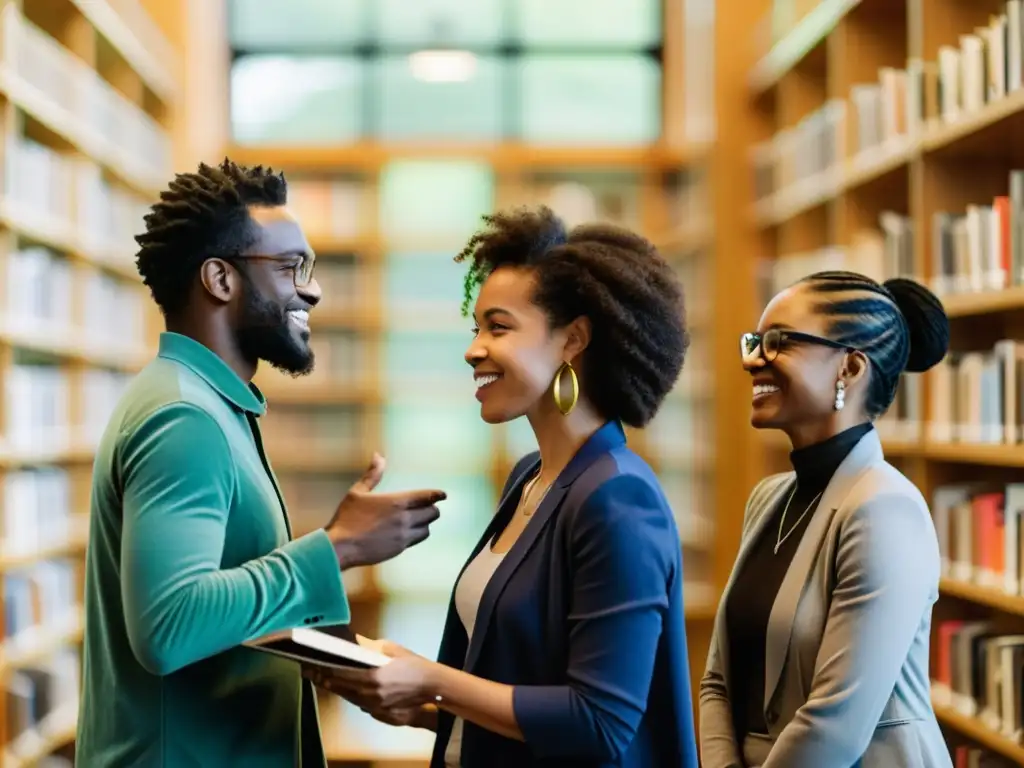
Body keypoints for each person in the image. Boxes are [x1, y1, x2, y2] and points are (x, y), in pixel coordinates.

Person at [76, 159, 445, 767]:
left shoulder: (208, 404)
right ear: (220, 279)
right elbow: (169, 626)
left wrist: (346, 661)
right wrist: (338, 548)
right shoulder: (185, 418)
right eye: (289, 267)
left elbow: (220, 603)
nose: (312, 288)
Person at [305, 205, 700, 768]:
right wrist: (407, 695)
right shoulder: (529, 478)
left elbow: (600, 724)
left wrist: (431, 680)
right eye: (476, 327)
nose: (473, 348)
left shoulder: (618, 499)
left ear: (573, 341)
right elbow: (516, 700)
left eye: (499, 327)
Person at [699, 270, 953, 768]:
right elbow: (717, 683)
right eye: (754, 341)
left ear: (850, 369)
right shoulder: (768, 499)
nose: (753, 360)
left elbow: (835, 724)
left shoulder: (884, 507)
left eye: (778, 343)